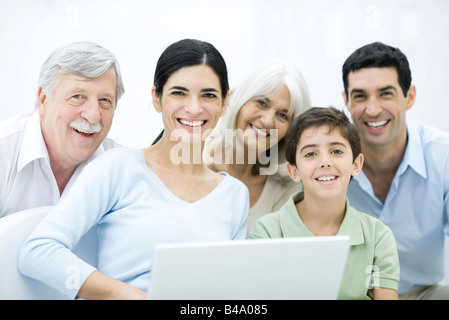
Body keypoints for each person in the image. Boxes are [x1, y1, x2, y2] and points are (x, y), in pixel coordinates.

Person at [19, 39, 248, 300]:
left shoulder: (234, 195)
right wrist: (126, 294)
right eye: (179, 93)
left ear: (224, 102)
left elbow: (231, 288)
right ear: (157, 98)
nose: (194, 108)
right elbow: (37, 251)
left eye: (208, 95)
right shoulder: (119, 167)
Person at [248, 107, 400, 300]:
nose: (325, 162)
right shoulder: (266, 233)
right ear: (294, 171)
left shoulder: (378, 236)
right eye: (311, 154)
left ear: (356, 164)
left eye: (336, 151)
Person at [342, 42, 449, 299]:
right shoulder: (330, 160)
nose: (373, 109)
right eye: (360, 96)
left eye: (385, 93)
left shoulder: (442, 157)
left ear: (409, 97)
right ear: (345, 101)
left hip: (424, 293)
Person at [0, 41, 125, 217]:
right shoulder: (4, 154)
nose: (93, 116)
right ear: (43, 100)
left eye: (105, 100)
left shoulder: (121, 170)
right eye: (78, 96)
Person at [204, 61, 310, 230]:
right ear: (239, 100)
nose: (268, 121)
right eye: (262, 103)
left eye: (282, 115)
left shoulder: (284, 186)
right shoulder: (196, 160)